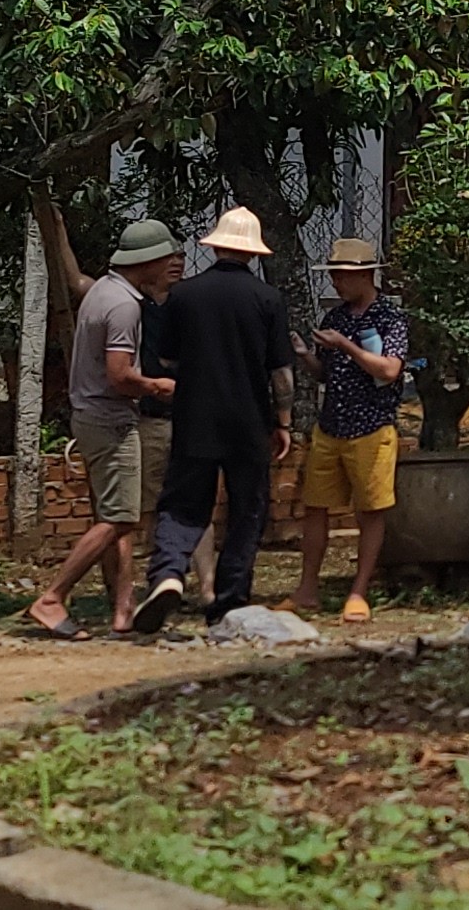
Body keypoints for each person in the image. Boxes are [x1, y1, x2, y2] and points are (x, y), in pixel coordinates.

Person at [128, 206, 295, 631]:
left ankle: (167, 574)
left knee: (183, 503)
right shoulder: (267, 299)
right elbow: (281, 373)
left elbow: (166, 358)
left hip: (194, 418)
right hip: (249, 422)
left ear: (216, 246)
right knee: (246, 510)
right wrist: (284, 422)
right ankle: (228, 600)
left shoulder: (183, 295)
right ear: (254, 254)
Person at [22, 214, 183, 639]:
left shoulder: (101, 292)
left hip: (90, 415)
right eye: (165, 256)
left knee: (119, 515)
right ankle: (52, 597)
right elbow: (119, 375)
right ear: (147, 261)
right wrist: (157, 385)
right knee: (117, 520)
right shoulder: (125, 305)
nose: (170, 263)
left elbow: (75, 280)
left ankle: (121, 610)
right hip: (111, 418)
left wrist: (57, 224)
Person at [284, 238, 409, 623]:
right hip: (332, 424)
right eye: (334, 275)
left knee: (369, 510)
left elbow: (389, 370)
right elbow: (327, 372)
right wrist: (307, 355)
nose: (337, 283)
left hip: (371, 426)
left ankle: (359, 591)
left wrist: (347, 347)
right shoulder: (334, 319)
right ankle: (307, 589)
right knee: (316, 505)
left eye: (343, 276)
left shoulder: (389, 318)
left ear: (365, 275)